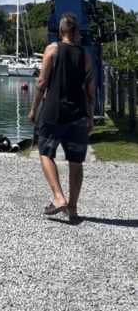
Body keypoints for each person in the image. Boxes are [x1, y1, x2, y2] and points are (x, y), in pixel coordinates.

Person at [28, 12, 95, 221]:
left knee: (45, 152)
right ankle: (73, 209)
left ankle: (58, 197)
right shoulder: (84, 55)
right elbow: (91, 90)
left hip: (54, 112)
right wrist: (90, 117)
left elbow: (41, 83)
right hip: (78, 116)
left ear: (62, 30)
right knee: (76, 161)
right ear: (76, 32)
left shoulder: (52, 49)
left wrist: (33, 109)